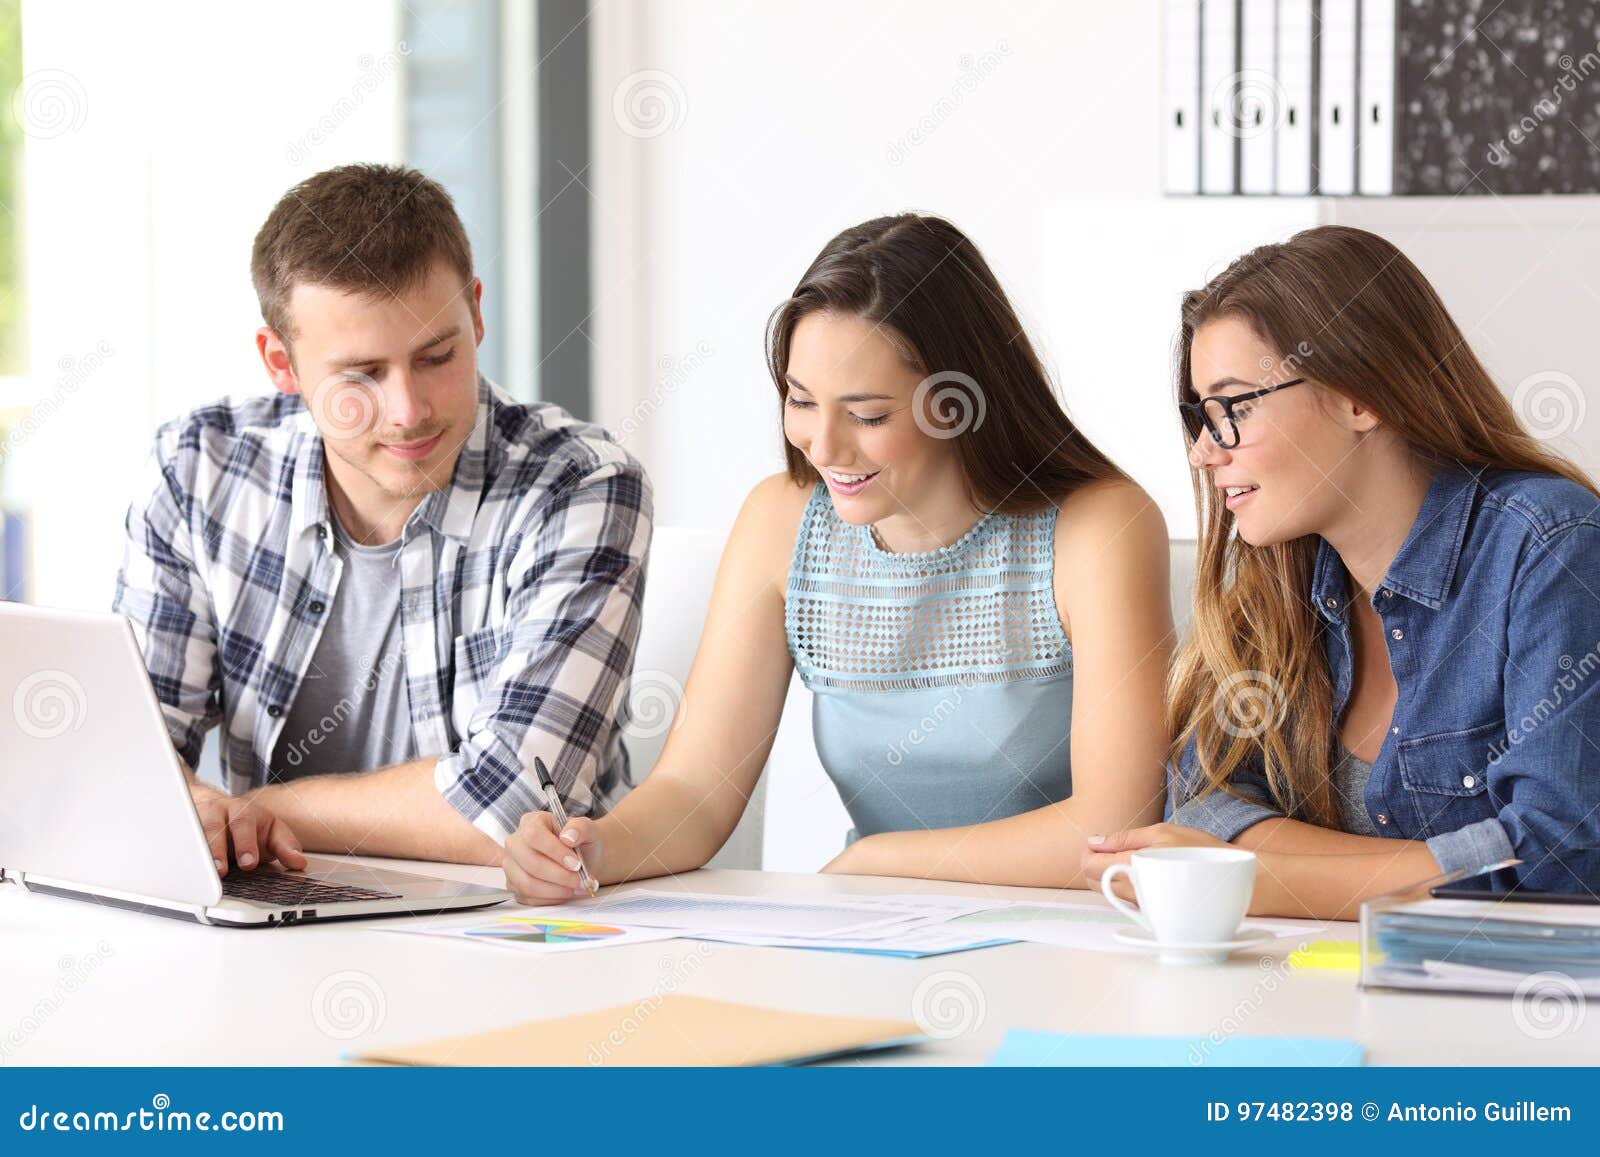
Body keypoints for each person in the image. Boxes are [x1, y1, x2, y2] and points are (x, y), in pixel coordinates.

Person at [500, 213, 1173, 903]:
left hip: (1073, 941)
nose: (822, 445)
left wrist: (877, 861)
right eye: (800, 401)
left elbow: (1115, 826)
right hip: (875, 936)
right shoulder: (782, 521)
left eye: (867, 415)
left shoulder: (1099, 527)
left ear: (959, 401)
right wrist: (592, 847)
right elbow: (696, 792)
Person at [113, 163, 651, 875]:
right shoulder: (199, 470)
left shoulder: (581, 485)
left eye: (436, 356)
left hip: (519, 928)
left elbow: (515, 808)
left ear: (477, 312)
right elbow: (129, 762)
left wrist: (259, 810)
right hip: (274, 910)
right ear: (282, 362)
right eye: (361, 374)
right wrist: (188, 802)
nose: (408, 410)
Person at [1084, 225, 1600, 919]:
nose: (1205, 453)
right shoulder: (1281, 573)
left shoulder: (1549, 543)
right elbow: (1205, 800)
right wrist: (1409, 872)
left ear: (1361, 396)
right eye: (1200, 417)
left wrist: (1263, 880)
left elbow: (1560, 855)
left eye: (1233, 408)